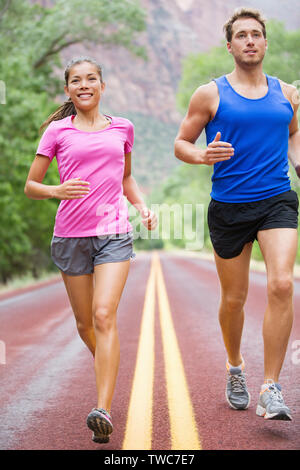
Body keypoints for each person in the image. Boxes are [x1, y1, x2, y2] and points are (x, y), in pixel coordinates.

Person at [174, 8, 300, 421]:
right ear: (230, 46)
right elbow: (181, 143)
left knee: (281, 283)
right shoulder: (210, 94)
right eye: (241, 35)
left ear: (265, 43)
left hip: (277, 199)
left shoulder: (287, 93)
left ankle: (271, 387)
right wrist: (202, 155)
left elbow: (294, 133)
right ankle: (234, 366)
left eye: (256, 34)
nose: (250, 40)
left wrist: (298, 163)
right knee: (234, 298)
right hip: (229, 205)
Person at [24, 56, 157, 443]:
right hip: (70, 237)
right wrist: (56, 190)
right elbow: (32, 185)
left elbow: (126, 177)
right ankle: (110, 369)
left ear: (102, 85)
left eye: (92, 79)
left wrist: (142, 207)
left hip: (113, 232)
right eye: (76, 80)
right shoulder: (57, 132)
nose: (85, 85)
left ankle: (103, 407)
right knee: (85, 325)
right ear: (68, 89)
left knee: (103, 315)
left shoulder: (123, 128)